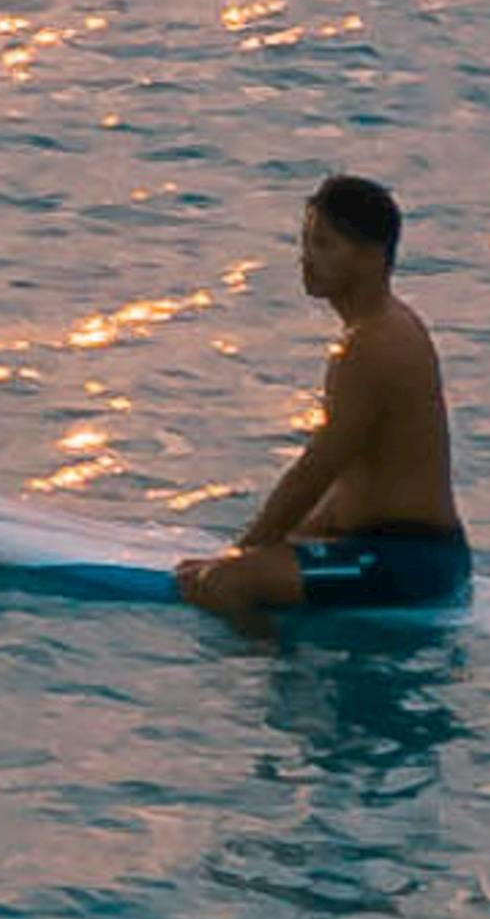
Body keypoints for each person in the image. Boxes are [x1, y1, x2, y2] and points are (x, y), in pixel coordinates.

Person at [173, 171, 469, 617]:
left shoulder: (375, 344)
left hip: (408, 564)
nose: (306, 259)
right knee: (220, 572)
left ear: (371, 256)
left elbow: (318, 467)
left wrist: (243, 554)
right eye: (306, 242)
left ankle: (275, 677)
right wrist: (287, 544)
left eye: (324, 245)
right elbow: (351, 472)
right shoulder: (379, 328)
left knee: (223, 585)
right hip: (383, 549)